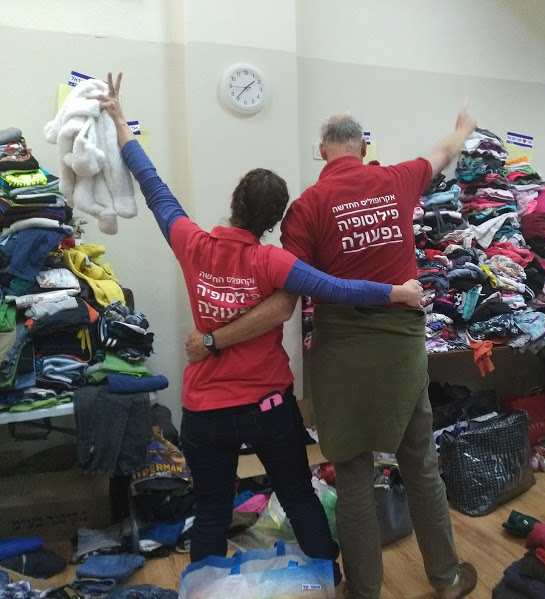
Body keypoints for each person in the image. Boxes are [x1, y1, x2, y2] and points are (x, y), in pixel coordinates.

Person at [96, 74, 425, 580]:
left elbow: (152, 184)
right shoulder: (274, 262)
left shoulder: (191, 243)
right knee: (297, 496)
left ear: (234, 200)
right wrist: (396, 293)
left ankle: (205, 590)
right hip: (269, 407)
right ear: (274, 221)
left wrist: (121, 120)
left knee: (211, 512)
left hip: (205, 412)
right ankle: (328, 580)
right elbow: (337, 288)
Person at [185, 110, 479, 598]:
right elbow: (443, 152)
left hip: (339, 351)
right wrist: (463, 128)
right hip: (400, 348)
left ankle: (362, 591)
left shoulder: (306, 208)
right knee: (420, 465)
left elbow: (285, 301)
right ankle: (446, 579)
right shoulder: (398, 178)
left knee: (353, 472)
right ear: (362, 145)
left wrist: (214, 339)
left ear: (322, 151)